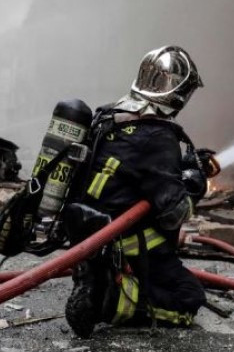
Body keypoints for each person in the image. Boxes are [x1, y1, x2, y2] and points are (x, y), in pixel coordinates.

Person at [63, 46, 211, 338]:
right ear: (178, 93)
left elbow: (133, 167)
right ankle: (108, 301)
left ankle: (100, 277)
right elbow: (173, 214)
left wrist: (181, 166)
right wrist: (194, 185)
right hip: (128, 245)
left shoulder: (108, 116)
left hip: (91, 237)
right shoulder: (159, 134)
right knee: (189, 299)